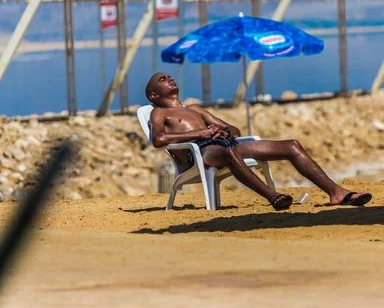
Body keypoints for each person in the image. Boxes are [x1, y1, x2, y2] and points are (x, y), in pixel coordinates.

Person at [145, 73, 372, 211]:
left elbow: (233, 128)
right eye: (162, 80)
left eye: (169, 77)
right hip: (201, 154)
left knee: (291, 145)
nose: (169, 79)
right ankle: (273, 197)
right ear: (154, 95)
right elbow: (158, 140)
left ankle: (337, 193)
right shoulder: (160, 113)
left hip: (224, 145)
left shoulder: (195, 109)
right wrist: (201, 135)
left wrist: (223, 131)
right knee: (230, 154)